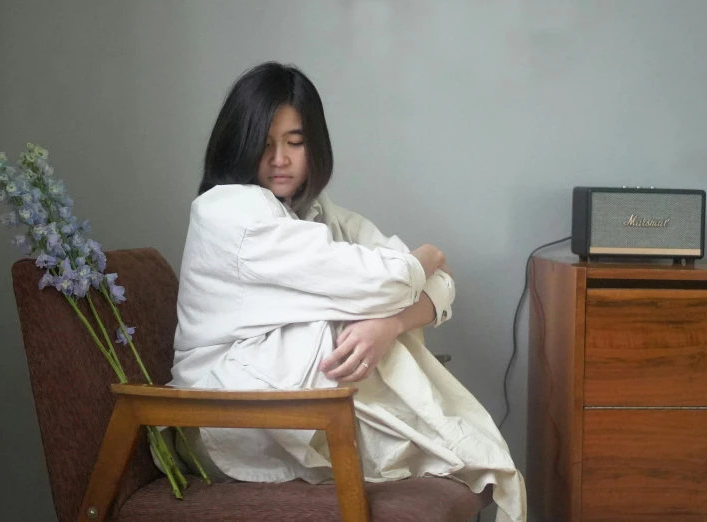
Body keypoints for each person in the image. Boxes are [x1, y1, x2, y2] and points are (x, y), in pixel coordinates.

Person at [165, 61, 527, 522]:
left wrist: (390, 323)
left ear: (314, 145)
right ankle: (465, 446)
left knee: (372, 327)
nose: (280, 159)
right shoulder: (230, 211)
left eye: (294, 142)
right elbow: (397, 278)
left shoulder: (317, 212)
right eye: (264, 143)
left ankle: (461, 445)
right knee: (347, 326)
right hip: (229, 419)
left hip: (294, 409)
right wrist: (431, 254)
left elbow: (438, 286)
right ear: (238, 144)